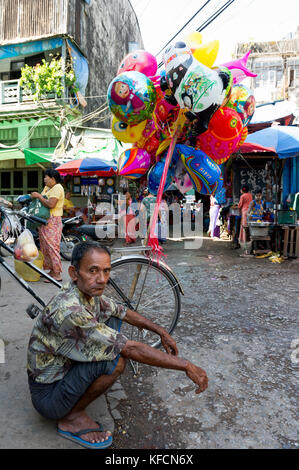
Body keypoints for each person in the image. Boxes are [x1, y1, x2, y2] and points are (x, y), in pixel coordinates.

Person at [27, 241, 208, 449]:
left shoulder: (83, 291)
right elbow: (129, 348)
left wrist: (161, 331)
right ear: (74, 273)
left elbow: (120, 311)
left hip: (59, 373)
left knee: (113, 319)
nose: (102, 279)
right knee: (117, 361)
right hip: (49, 398)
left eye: (106, 271)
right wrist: (186, 366)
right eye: (93, 271)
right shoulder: (71, 310)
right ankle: (71, 419)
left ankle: (75, 403)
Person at [31, 169, 64, 282]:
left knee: (52, 247)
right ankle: (51, 271)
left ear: (53, 179)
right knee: (45, 247)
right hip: (44, 220)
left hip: (53, 220)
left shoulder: (57, 188)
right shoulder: (48, 188)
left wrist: (39, 196)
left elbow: (51, 204)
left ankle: (57, 274)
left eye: (46, 177)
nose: (44, 179)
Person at [238, 185, 253, 256]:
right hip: (250, 212)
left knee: (244, 228)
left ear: (242, 190)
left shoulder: (242, 196)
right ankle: (249, 241)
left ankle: (245, 243)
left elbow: (240, 205)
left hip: (244, 212)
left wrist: (237, 207)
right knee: (249, 227)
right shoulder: (250, 195)